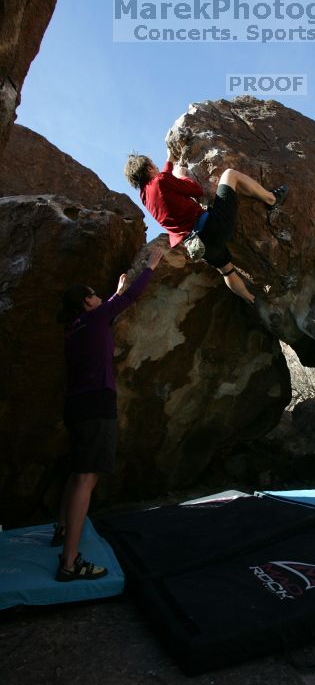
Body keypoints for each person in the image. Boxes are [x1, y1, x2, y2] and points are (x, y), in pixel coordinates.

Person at [53, 248, 163, 581]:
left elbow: (111, 310)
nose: (99, 297)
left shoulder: (76, 328)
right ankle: (70, 563)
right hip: (97, 406)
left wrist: (113, 292)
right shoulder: (92, 319)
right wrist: (151, 265)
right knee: (88, 478)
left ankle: (62, 530)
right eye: (94, 295)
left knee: (77, 472)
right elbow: (130, 298)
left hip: (75, 407)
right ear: (87, 302)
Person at [124, 151, 288, 304]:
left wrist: (170, 162)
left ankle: (251, 299)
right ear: (148, 168)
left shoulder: (145, 198)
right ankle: (272, 199)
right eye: (153, 164)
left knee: (227, 271)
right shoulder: (161, 181)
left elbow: (162, 183)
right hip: (213, 227)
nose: (156, 166)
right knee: (230, 174)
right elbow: (196, 190)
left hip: (199, 247)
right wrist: (182, 177)